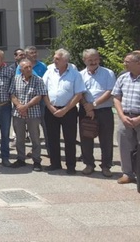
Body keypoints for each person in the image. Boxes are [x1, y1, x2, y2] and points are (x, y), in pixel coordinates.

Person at [42, 48, 86, 174]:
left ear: (65, 60)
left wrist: (65, 109)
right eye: (54, 58)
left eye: (57, 58)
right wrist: (50, 107)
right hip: (51, 110)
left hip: (69, 111)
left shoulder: (74, 74)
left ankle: (71, 166)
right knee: (52, 138)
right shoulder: (50, 71)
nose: (54, 60)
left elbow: (78, 94)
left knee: (70, 139)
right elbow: (43, 91)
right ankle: (55, 163)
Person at [78, 49, 116, 177]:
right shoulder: (80, 74)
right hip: (85, 110)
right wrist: (87, 107)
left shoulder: (108, 73)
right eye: (90, 60)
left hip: (104, 110)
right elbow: (80, 92)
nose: (93, 62)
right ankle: (89, 164)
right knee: (86, 137)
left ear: (99, 59)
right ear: (84, 60)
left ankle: (106, 166)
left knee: (106, 139)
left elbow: (109, 91)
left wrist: (94, 105)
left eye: (96, 59)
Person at [9, 59, 47, 171]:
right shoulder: (15, 79)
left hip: (33, 113)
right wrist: (20, 106)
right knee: (19, 138)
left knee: (35, 138)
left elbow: (39, 96)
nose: (29, 69)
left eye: (30, 67)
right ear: (21, 69)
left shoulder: (38, 80)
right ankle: (21, 159)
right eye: (26, 67)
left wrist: (26, 106)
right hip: (18, 113)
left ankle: (36, 160)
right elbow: (12, 94)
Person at [113, 51, 140, 185]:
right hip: (125, 117)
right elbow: (116, 98)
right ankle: (127, 173)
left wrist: (138, 119)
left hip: (139, 118)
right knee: (124, 146)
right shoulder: (123, 77)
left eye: (127, 62)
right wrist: (122, 116)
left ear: (138, 63)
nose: (124, 64)